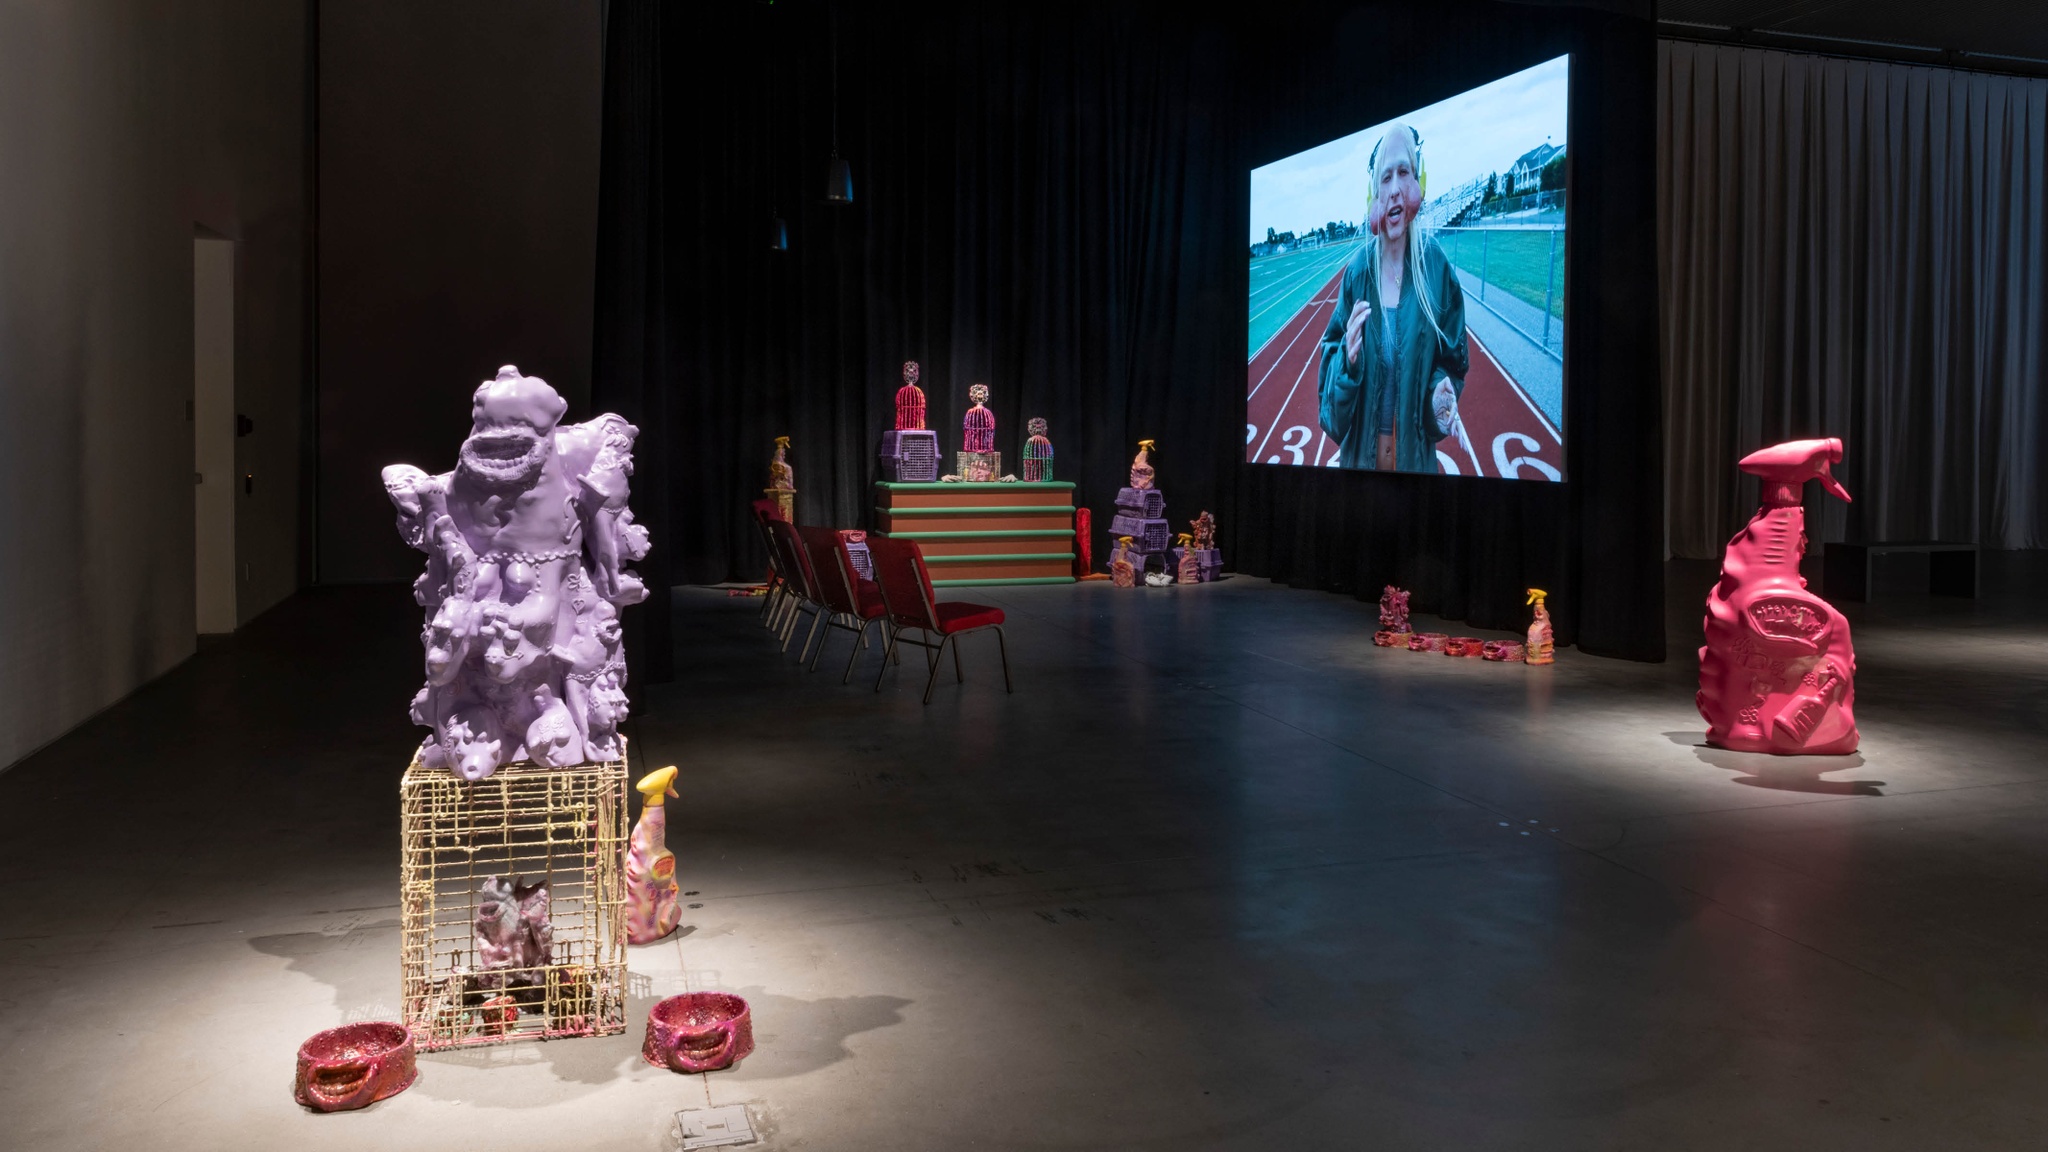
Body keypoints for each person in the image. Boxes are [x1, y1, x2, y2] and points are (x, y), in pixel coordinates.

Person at [1317, 123, 1470, 471]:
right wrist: (1347, 362)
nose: (1396, 188)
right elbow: (1330, 410)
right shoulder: (1357, 272)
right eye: (1386, 178)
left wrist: (1439, 398)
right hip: (1359, 469)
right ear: (1373, 194)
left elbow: (1453, 362)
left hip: (1415, 468)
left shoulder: (1437, 269)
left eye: (1404, 172)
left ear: (1420, 181)